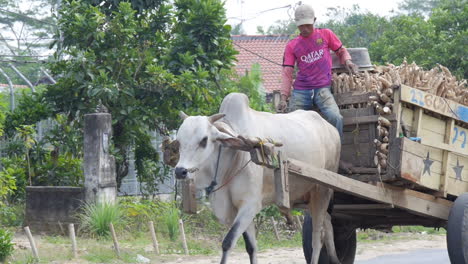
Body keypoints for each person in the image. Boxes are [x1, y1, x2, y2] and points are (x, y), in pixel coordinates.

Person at [277, 3, 357, 172]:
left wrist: (348, 61)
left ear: (314, 21)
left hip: (322, 89)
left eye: (308, 24)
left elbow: (341, 51)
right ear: (297, 25)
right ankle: (290, 159)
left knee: (336, 118)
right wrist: (284, 97)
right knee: (289, 122)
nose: (305, 28)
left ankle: (337, 158)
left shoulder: (325, 35)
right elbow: (287, 72)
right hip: (301, 90)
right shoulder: (292, 45)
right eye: (301, 26)